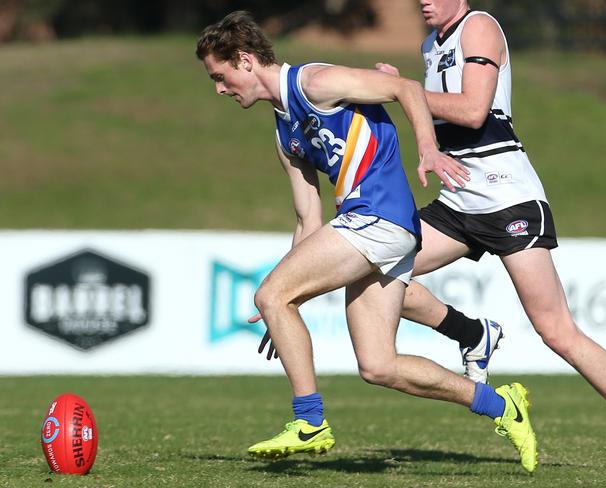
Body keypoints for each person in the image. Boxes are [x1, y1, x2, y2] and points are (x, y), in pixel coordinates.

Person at [196, 10, 537, 472]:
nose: (219, 88)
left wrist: (428, 148)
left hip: (377, 218)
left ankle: (309, 421)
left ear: (245, 59)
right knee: (379, 366)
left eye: (220, 76)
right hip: (379, 229)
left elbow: (406, 89)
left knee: (272, 294)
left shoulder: (314, 83)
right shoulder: (284, 131)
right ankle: (502, 406)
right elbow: (307, 217)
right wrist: (285, 302)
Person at [370, 0, 606, 472]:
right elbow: (436, 120)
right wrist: (404, 94)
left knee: (555, 330)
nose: (424, 1)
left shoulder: (478, 27)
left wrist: (403, 91)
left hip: (507, 201)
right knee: (376, 265)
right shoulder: (429, 45)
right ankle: (472, 333)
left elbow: (475, 111)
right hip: (458, 199)